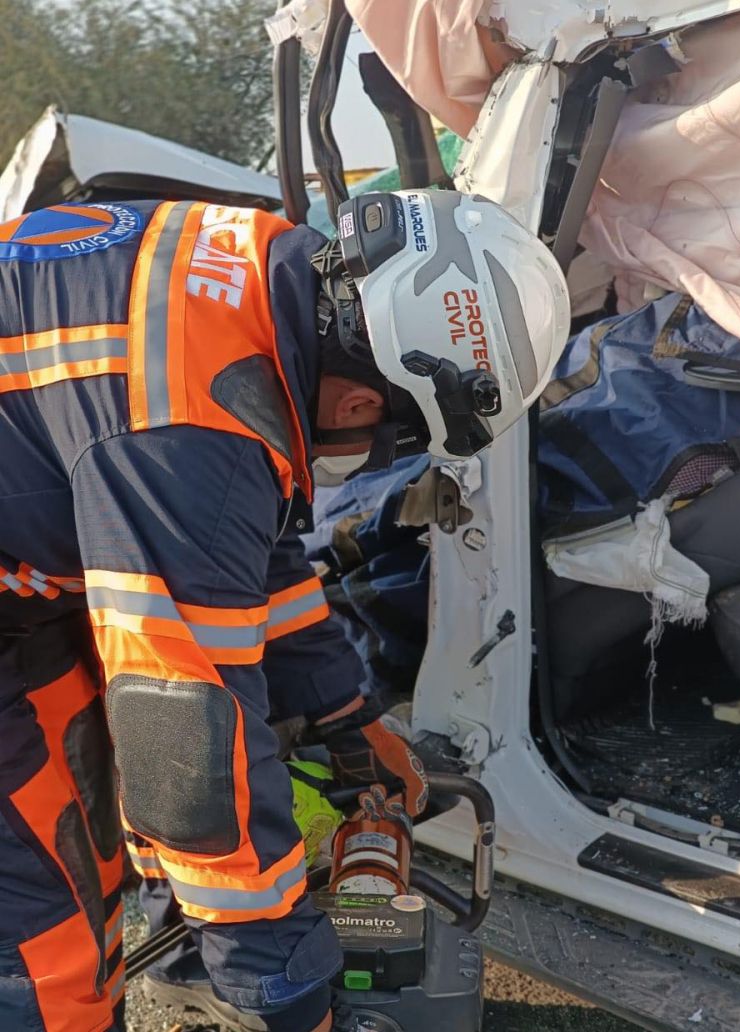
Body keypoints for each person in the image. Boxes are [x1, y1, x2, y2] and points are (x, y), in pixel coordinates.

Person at [0, 190, 568, 1032]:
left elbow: (247, 556)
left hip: (22, 574)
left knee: (88, 815)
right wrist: (279, 984)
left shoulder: (264, 278)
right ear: (362, 406)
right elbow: (181, 741)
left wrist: (347, 718)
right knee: (44, 945)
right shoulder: (191, 434)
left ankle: (179, 937)